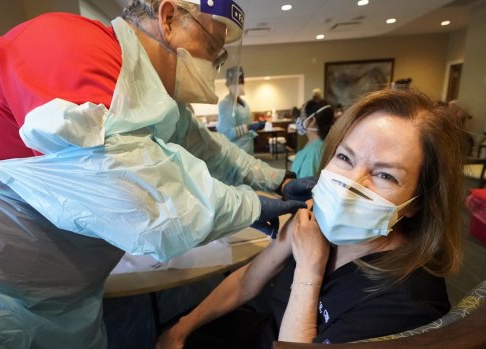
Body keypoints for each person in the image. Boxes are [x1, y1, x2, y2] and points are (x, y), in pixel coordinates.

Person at [0, 1, 307, 348]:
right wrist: (253, 207)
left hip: (63, 289)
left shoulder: (151, 92)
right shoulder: (68, 49)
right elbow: (150, 207)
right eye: (213, 46)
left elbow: (209, 149)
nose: (215, 61)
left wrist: (278, 181)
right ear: (169, 18)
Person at [156, 88, 467, 348]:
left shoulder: (407, 305)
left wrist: (309, 268)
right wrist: (182, 328)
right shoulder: (314, 220)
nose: (351, 187)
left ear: (418, 202)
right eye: (345, 158)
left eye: (384, 175)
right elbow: (249, 281)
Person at [217, 66, 264, 154]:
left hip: (248, 149)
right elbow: (227, 133)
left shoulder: (243, 103)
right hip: (236, 151)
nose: (239, 84)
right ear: (228, 84)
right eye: (236, 81)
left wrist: (253, 133)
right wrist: (249, 127)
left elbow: (244, 123)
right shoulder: (226, 105)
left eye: (241, 81)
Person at [291, 98, 335, 178]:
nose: (300, 119)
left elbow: (304, 186)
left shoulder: (312, 154)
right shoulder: (321, 143)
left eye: (303, 115)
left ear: (313, 120)